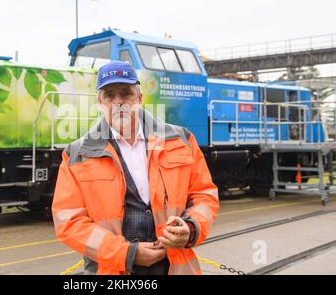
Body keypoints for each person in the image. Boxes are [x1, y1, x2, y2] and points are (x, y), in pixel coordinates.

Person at [52, 61, 219, 275]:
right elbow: (69, 222)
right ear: (100, 102)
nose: (118, 102)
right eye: (109, 95)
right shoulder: (77, 154)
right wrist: (126, 254)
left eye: (126, 93)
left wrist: (191, 227)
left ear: (139, 98)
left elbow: (204, 194)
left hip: (175, 268)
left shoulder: (182, 140)